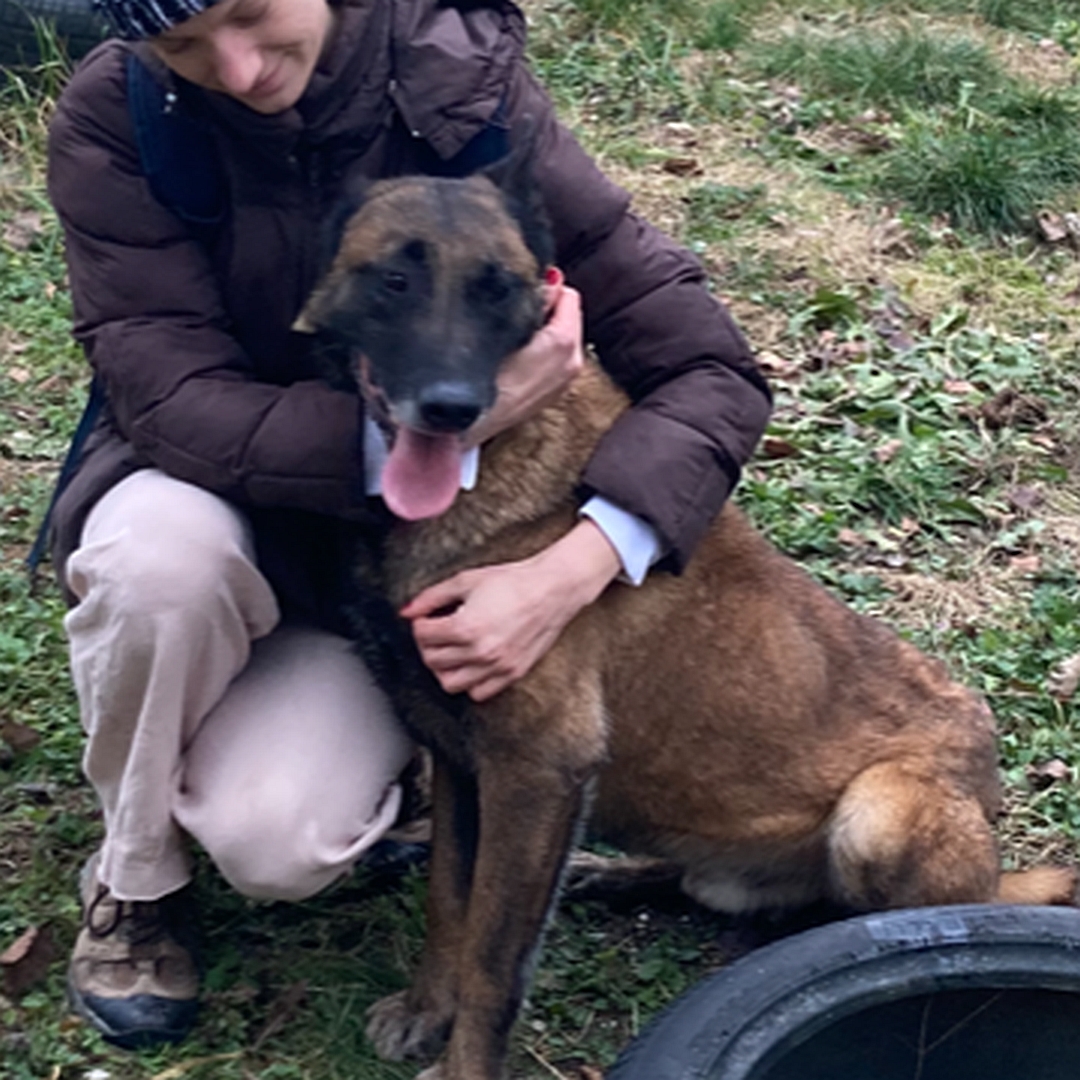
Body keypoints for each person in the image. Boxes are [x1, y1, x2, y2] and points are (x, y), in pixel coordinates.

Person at [47, 0, 771, 1050]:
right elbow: (162, 392)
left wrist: (580, 562)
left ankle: (399, 764)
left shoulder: (460, 85)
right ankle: (136, 877)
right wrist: (403, 439)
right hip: (221, 505)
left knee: (275, 841)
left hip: (392, 577)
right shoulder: (124, 114)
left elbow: (711, 370)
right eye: (185, 44)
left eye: (251, 14)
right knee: (158, 562)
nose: (240, 69)